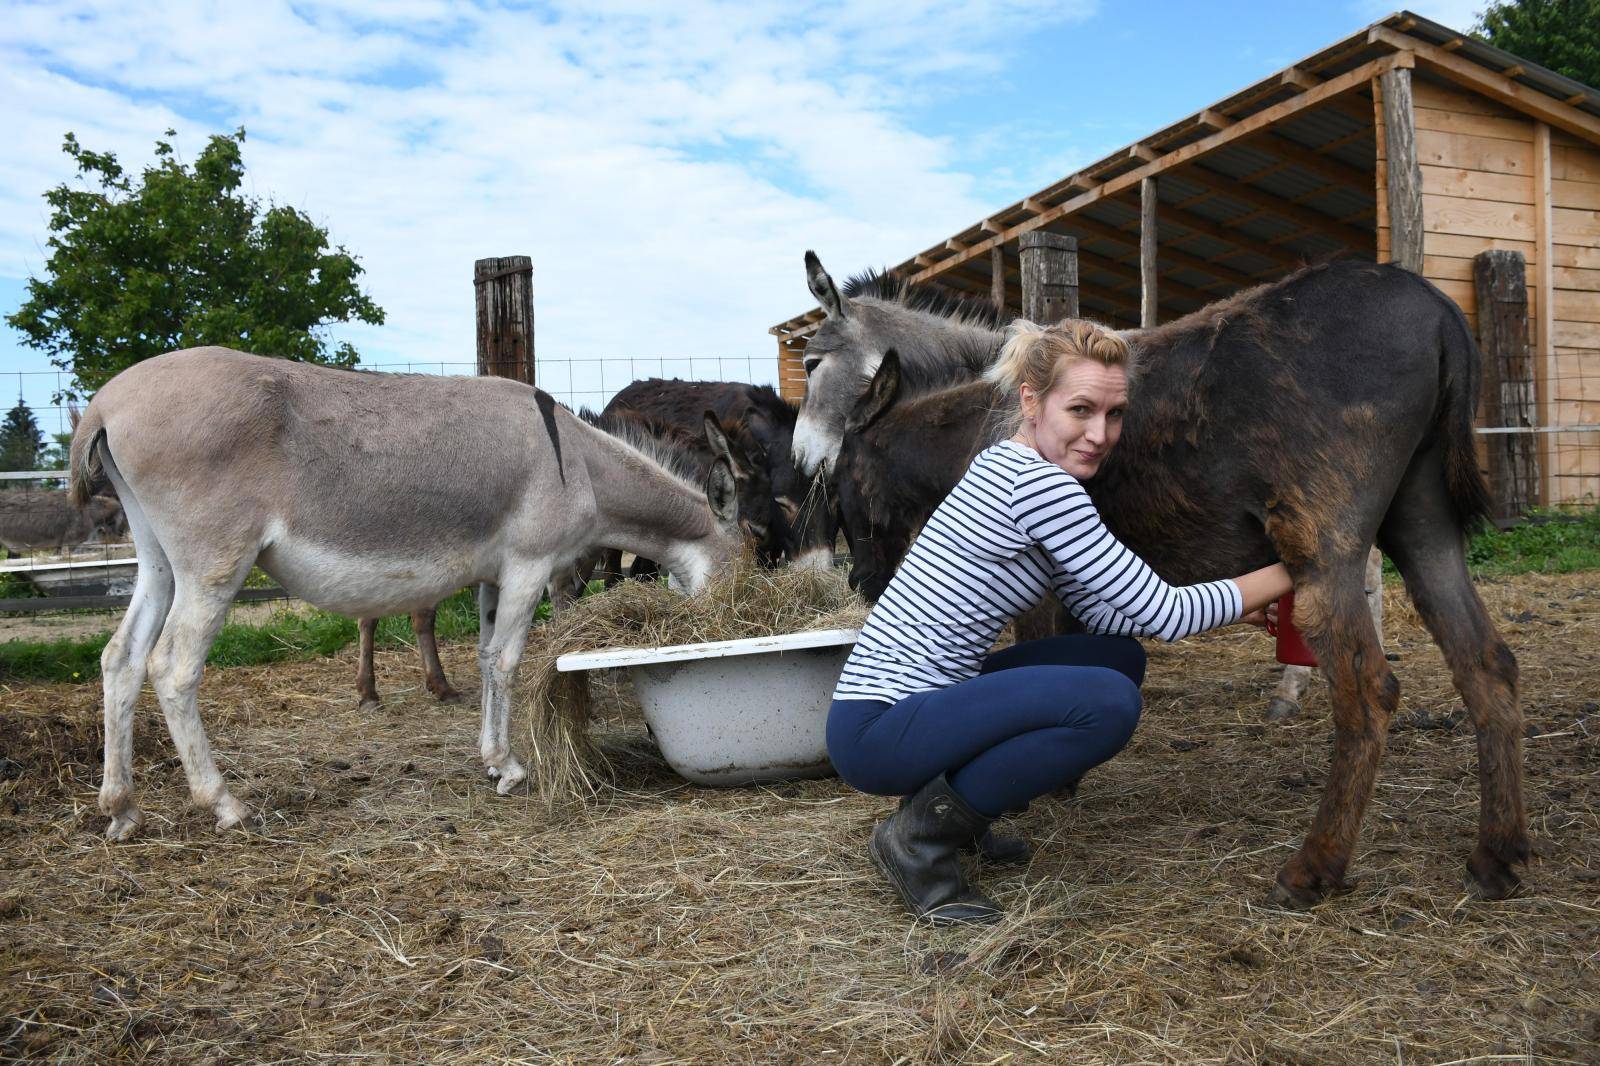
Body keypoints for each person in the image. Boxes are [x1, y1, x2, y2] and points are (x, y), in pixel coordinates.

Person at [825, 318, 1293, 925]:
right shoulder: (1037, 484)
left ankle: (949, 808)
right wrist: (1300, 568)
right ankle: (920, 839)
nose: (1100, 434)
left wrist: (1239, 605)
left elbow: (1106, 611)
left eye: (1114, 413)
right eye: (1080, 409)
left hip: (919, 705)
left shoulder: (1010, 465)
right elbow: (1161, 610)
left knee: (1114, 657)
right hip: (879, 730)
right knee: (1107, 702)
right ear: (1031, 401)